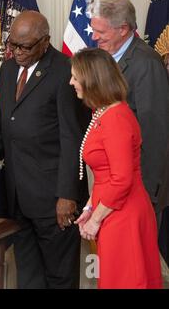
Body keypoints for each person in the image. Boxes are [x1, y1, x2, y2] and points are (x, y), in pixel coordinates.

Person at [0, 10, 89, 289]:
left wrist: (67, 195)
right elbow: (6, 127)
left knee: (59, 277)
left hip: (54, 199)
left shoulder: (65, 71)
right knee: (28, 276)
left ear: (45, 42)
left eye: (24, 46)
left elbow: (72, 137)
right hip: (17, 196)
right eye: (11, 44)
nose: (16, 52)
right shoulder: (8, 68)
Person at [72, 48, 162, 289]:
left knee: (126, 281)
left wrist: (96, 220)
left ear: (92, 79)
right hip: (111, 209)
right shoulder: (101, 112)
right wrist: (91, 207)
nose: (71, 82)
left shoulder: (116, 118)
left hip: (124, 214)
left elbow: (121, 179)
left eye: (75, 77)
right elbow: (106, 175)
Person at [89, 0, 169, 226]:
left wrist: (146, 194)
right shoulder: (108, 59)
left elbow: (154, 136)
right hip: (113, 189)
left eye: (101, 32)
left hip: (137, 193)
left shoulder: (146, 64)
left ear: (123, 29)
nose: (94, 37)